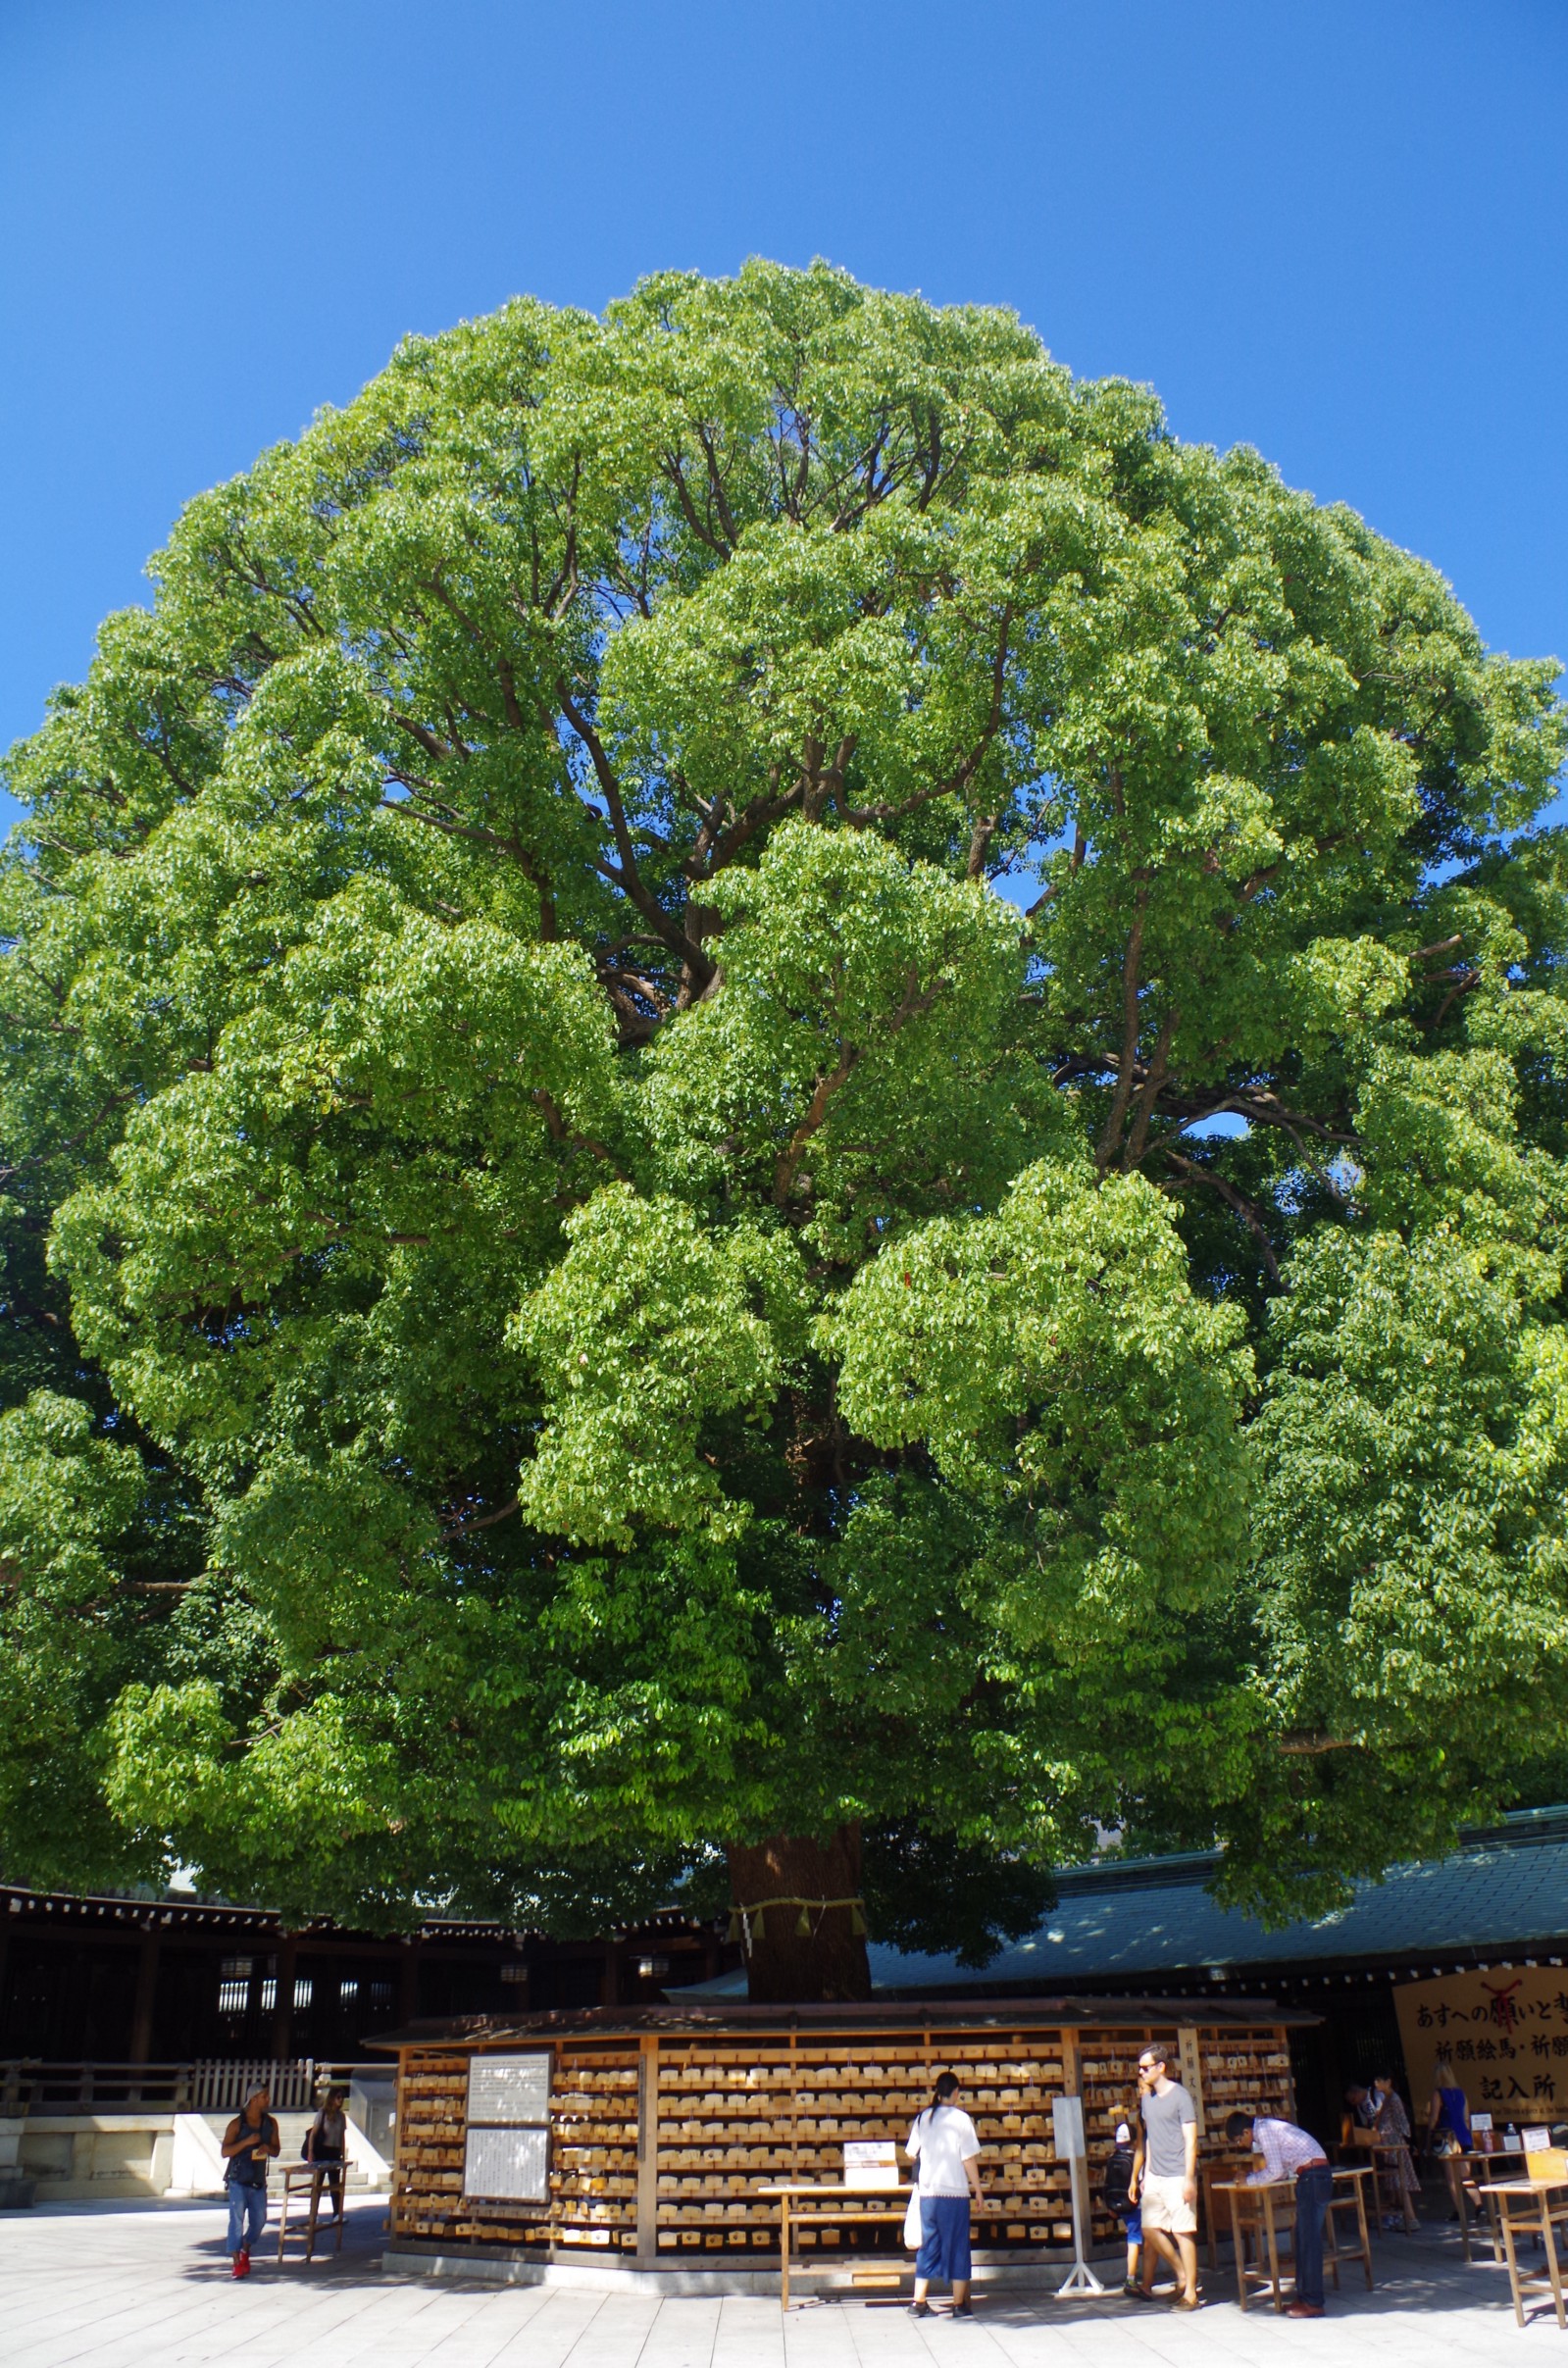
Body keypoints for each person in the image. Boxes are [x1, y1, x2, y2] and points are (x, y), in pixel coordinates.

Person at [1227, 2109, 1333, 2320]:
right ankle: (1304, 2297)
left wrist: (1248, 2180)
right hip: (1311, 2176)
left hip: (1313, 2176)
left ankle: (1313, 2301)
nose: (1242, 2145)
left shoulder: (1264, 2132)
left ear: (1247, 2132)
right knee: (1301, 2237)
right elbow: (1282, 2170)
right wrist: (1251, 2176)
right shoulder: (1268, 2128)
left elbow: (1274, 2171)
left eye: (1239, 2140)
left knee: (1308, 2240)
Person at [906, 2070, 986, 2319]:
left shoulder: (923, 2118)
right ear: (956, 2092)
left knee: (928, 2246)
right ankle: (959, 2303)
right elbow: (968, 2158)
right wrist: (979, 2190)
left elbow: (911, 2153)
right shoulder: (961, 2119)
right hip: (954, 2193)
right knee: (959, 2246)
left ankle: (918, 2302)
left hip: (929, 2194)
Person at [1130, 2042, 1200, 2308]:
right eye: (1140, 2067)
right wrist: (1146, 2174)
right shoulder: (1147, 2099)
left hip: (1177, 2174)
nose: (1142, 2071)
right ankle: (1181, 2272)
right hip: (1156, 2175)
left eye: (1146, 2067)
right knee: (1149, 2228)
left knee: (1183, 2231)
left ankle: (1191, 2293)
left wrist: (1189, 2177)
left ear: (1161, 2067)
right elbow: (1149, 2139)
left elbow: (1190, 2139)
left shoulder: (1180, 2096)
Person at [221, 2086, 280, 2278]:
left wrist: (267, 2148)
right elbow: (225, 2152)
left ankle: (246, 2247)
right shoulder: (237, 2124)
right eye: (264, 2096)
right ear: (254, 2099)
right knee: (236, 2221)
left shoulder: (270, 2123)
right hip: (238, 2179)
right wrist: (245, 2142)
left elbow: (276, 2150)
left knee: (260, 2220)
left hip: (258, 2180)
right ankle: (236, 2261)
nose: (268, 2099)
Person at [1102, 2118, 1142, 2296]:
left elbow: (1106, 2183)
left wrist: (1109, 2205)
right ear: (1133, 2141)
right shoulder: (1135, 2159)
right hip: (1134, 2204)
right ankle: (1131, 2277)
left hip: (1117, 2204)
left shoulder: (1112, 2158)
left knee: (1133, 2237)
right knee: (1134, 2240)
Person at [304, 2084, 349, 2221]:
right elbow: (313, 2133)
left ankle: (337, 2213)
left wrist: (342, 2153)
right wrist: (311, 2152)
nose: (340, 2100)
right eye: (338, 2097)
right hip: (322, 2150)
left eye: (342, 2098)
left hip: (334, 2151)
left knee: (335, 2184)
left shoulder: (341, 2116)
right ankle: (313, 2214)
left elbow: (342, 2136)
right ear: (332, 2098)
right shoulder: (322, 2113)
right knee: (318, 2183)